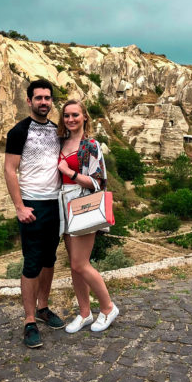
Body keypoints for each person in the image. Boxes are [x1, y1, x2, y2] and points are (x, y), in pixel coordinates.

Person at [4, 79, 65, 348]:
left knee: (49, 260)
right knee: (31, 263)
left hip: (55, 204)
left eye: (47, 98)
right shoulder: (19, 131)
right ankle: (29, 321)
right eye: (38, 98)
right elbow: (9, 169)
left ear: (52, 101)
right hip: (32, 204)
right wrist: (19, 207)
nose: (43, 102)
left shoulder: (56, 130)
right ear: (29, 101)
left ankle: (43, 308)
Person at [57, 99, 118, 333]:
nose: (70, 119)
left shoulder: (90, 145)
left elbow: (98, 181)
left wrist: (69, 172)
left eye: (75, 115)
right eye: (66, 116)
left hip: (81, 204)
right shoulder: (61, 142)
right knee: (74, 266)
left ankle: (108, 307)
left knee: (80, 263)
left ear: (84, 117)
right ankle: (84, 314)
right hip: (63, 204)